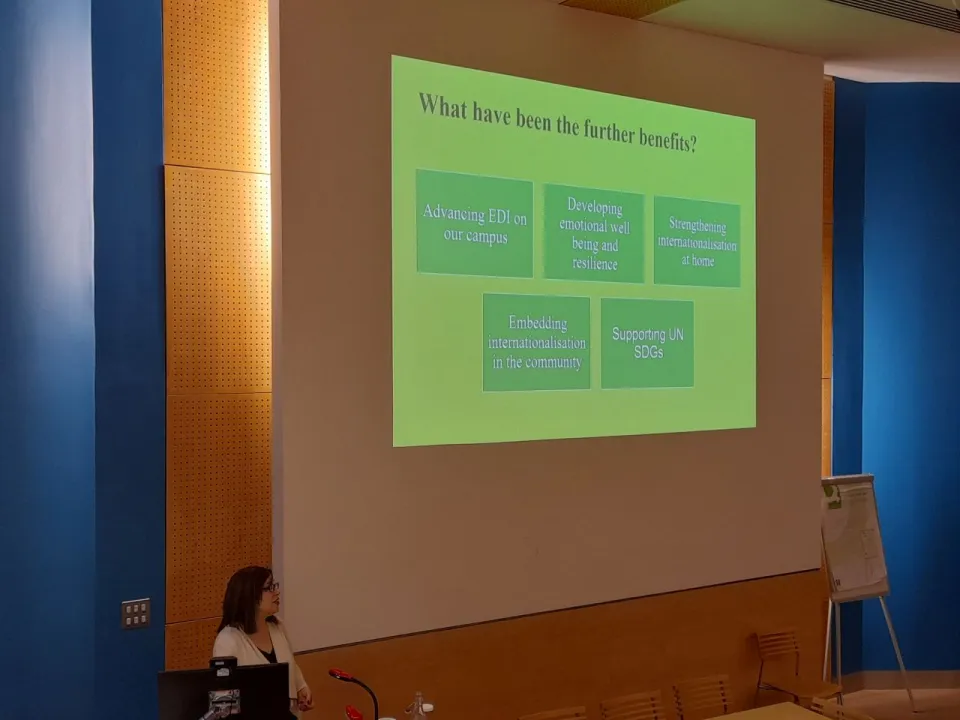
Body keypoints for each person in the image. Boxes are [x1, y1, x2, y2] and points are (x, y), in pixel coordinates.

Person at [213, 566, 314, 716]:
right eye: (269, 588)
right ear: (250, 596)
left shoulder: (277, 626)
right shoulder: (227, 640)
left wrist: (301, 687)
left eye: (275, 586)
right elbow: (223, 699)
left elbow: (290, 663)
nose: (277, 592)